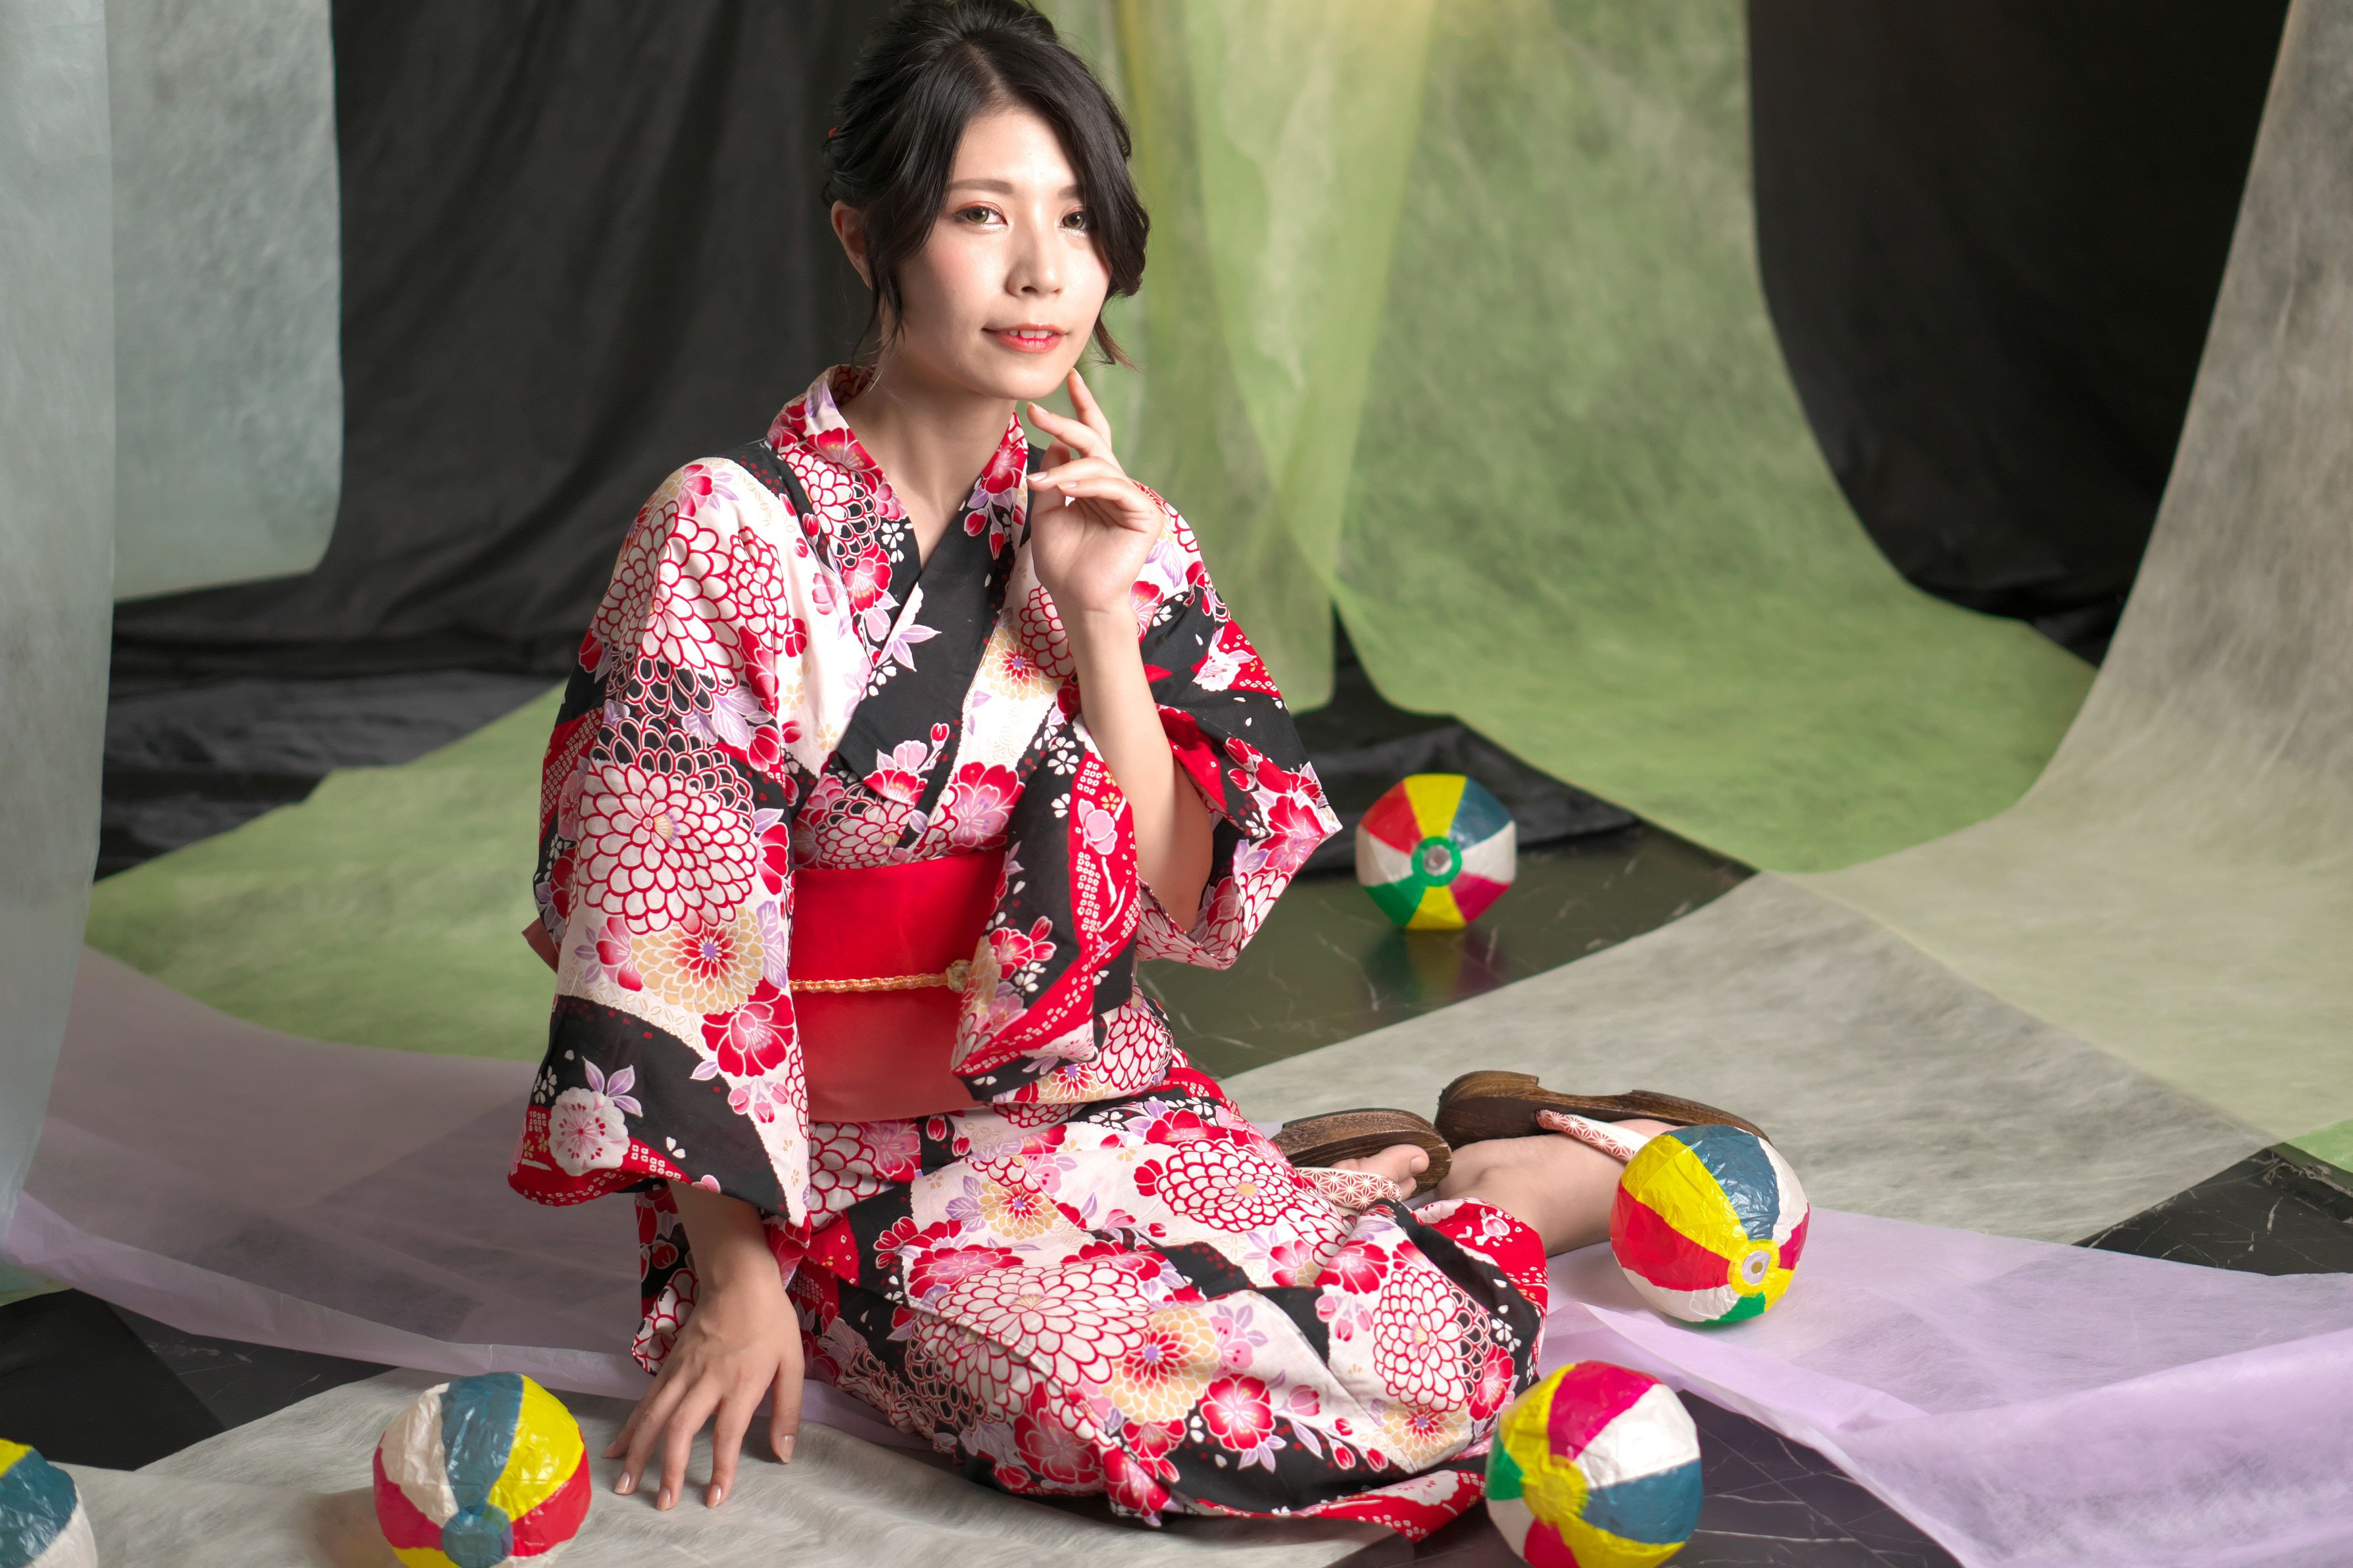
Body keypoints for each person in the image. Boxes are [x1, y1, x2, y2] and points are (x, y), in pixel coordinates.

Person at [508, 0, 1756, 1540]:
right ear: (866, 235)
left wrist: (1101, 613)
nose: (1043, 270)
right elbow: (660, 940)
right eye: (982, 215)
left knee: (1424, 1373)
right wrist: (733, 1271)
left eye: (1077, 219)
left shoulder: (1110, 523)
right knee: (1110, 1399)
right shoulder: (725, 531)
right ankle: (1434, 1189)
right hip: (825, 1166)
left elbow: (1182, 900)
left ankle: (1505, 1185)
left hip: (1087, 1092)